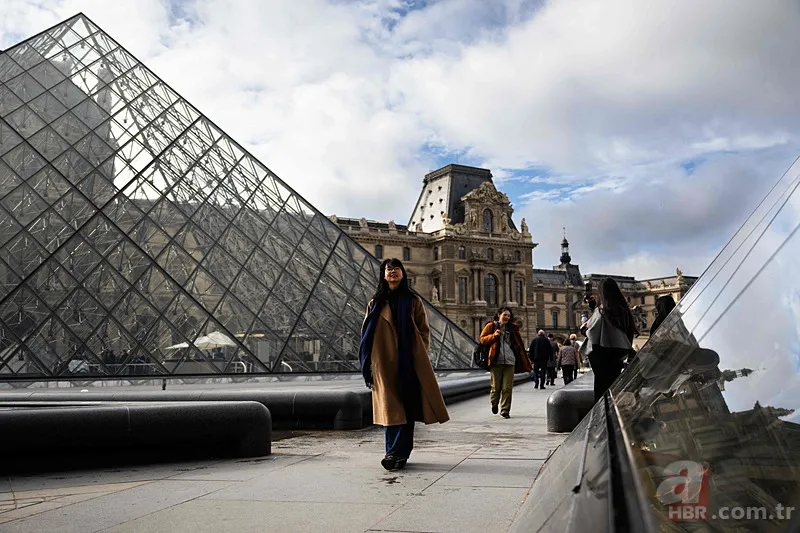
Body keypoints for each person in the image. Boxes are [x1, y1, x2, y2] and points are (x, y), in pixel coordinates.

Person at [359, 258, 449, 471]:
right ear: (383, 274)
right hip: (383, 363)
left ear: (403, 274)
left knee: (404, 409)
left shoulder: (413, 300)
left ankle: (396, 454)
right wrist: (368, 363)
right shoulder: (375, 303)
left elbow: (424, 331)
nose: (392, 272)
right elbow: (366, 335)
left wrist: (418, 355)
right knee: (391, 410)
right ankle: (394, 453)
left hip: (408, 362)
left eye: (396, 268)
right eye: (388, 269)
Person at [580, 278, 636, 402]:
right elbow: (610, 328)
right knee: (611, 388)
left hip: (601, 358)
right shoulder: (623, 311)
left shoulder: (601, 312)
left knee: (600, 392)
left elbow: (593, 332)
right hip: (618, 357)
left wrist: (584, 329)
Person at [479, 307, 532, 418]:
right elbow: (482, 339)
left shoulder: (513, 328)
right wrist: (494, 336)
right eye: (505, 315)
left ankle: (505, 410)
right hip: (496, 361)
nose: (507, 317)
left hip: (510, 361)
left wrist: (524, 359)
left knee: (507, 388)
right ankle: (494, 403)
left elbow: (519, 345)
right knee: (495, 387)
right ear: (499, 314)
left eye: (508, 315)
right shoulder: (491, 326)